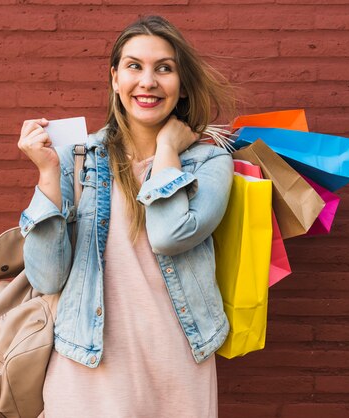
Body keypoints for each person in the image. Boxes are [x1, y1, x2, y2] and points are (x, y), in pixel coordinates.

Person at [17, 15, 235, 418]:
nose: (148, 81)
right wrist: (48, 173)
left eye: (164, 68)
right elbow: (46, 277)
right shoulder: (77, 160)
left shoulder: (210, 162)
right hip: (86, 368)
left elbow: (170, 236)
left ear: (181, 84)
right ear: (115, 78)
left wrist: (168, 149)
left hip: (177, 370)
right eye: (134, 66)